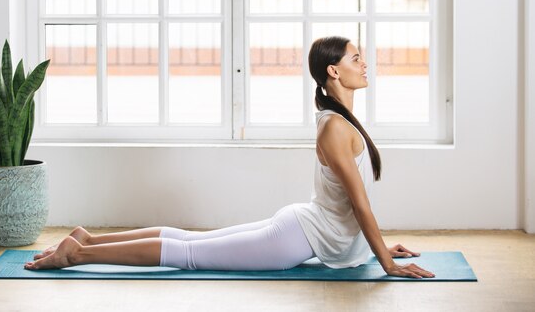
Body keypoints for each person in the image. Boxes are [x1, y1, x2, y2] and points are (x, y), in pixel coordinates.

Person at [24, 36, 434, 279]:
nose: (365, 64)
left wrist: (373, 246)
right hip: (298, 236)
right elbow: (359, 205)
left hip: (302, 227)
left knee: (193, 242)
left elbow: (352, 208)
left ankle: (89, 237)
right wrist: (385, 261)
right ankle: (78, 253)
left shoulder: (336, 120)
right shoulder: (335, 126)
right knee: (190, 254)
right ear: (333, 71)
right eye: (355, 58)